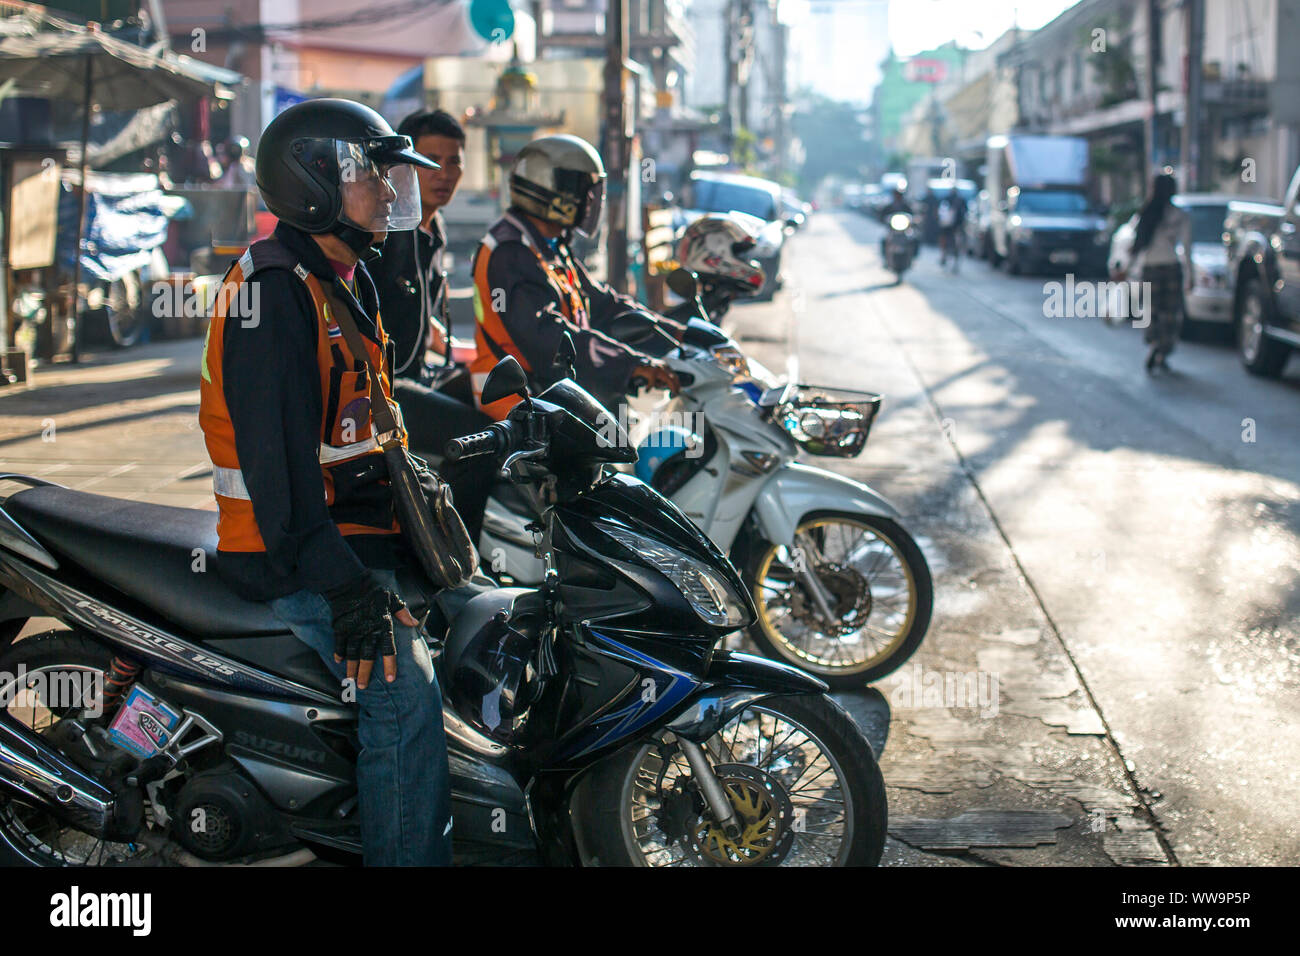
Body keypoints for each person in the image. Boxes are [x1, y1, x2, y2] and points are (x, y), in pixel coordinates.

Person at [197, 98, 453, 866]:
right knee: (404, 697)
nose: (388, 189)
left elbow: (390, 380)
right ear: (311, 183)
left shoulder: (338, 276)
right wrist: (350, 594)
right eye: (371, 174)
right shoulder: (273, 296)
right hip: (286, 549)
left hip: (351, 529)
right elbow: (279, 485)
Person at [460, 134, 681, 534]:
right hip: (517, 399)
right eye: (585, 191)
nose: (592, 202)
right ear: (553, 190)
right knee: (584, 509)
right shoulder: (511, 250)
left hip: (553, 394)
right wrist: (634, 365)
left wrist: (678, 336)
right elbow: (551, 338)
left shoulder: (549, 245)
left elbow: (603, 305)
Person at [369, 109, 492, 463]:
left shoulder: (434, 230)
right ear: (403, 167)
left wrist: (472, 354)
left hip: (423, 376)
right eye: (431, 160)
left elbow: (419, 316)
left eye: (454, 161)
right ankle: (449, 519)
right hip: (385, 390)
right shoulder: (383, 234)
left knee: (505, 395)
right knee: (478, 440)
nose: (444, 173)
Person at [1128, 170, 1188, 373]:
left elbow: (1136, 245)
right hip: (1171, 266)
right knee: (1171, 313)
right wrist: (1191, 276)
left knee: (1152, 311)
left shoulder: (1146, 213)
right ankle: (1163, 349)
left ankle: (1154, 344)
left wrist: (1128, 269)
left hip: (1150, 267)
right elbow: (1187, 248)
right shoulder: (1180, 215)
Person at [937, 188, 967, 272]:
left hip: (954, 226)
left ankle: (946, 256)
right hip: (952, 226)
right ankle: (945, 256)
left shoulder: (951, 199)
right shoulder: (956, 199)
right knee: (947, 240)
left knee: (956, 243)